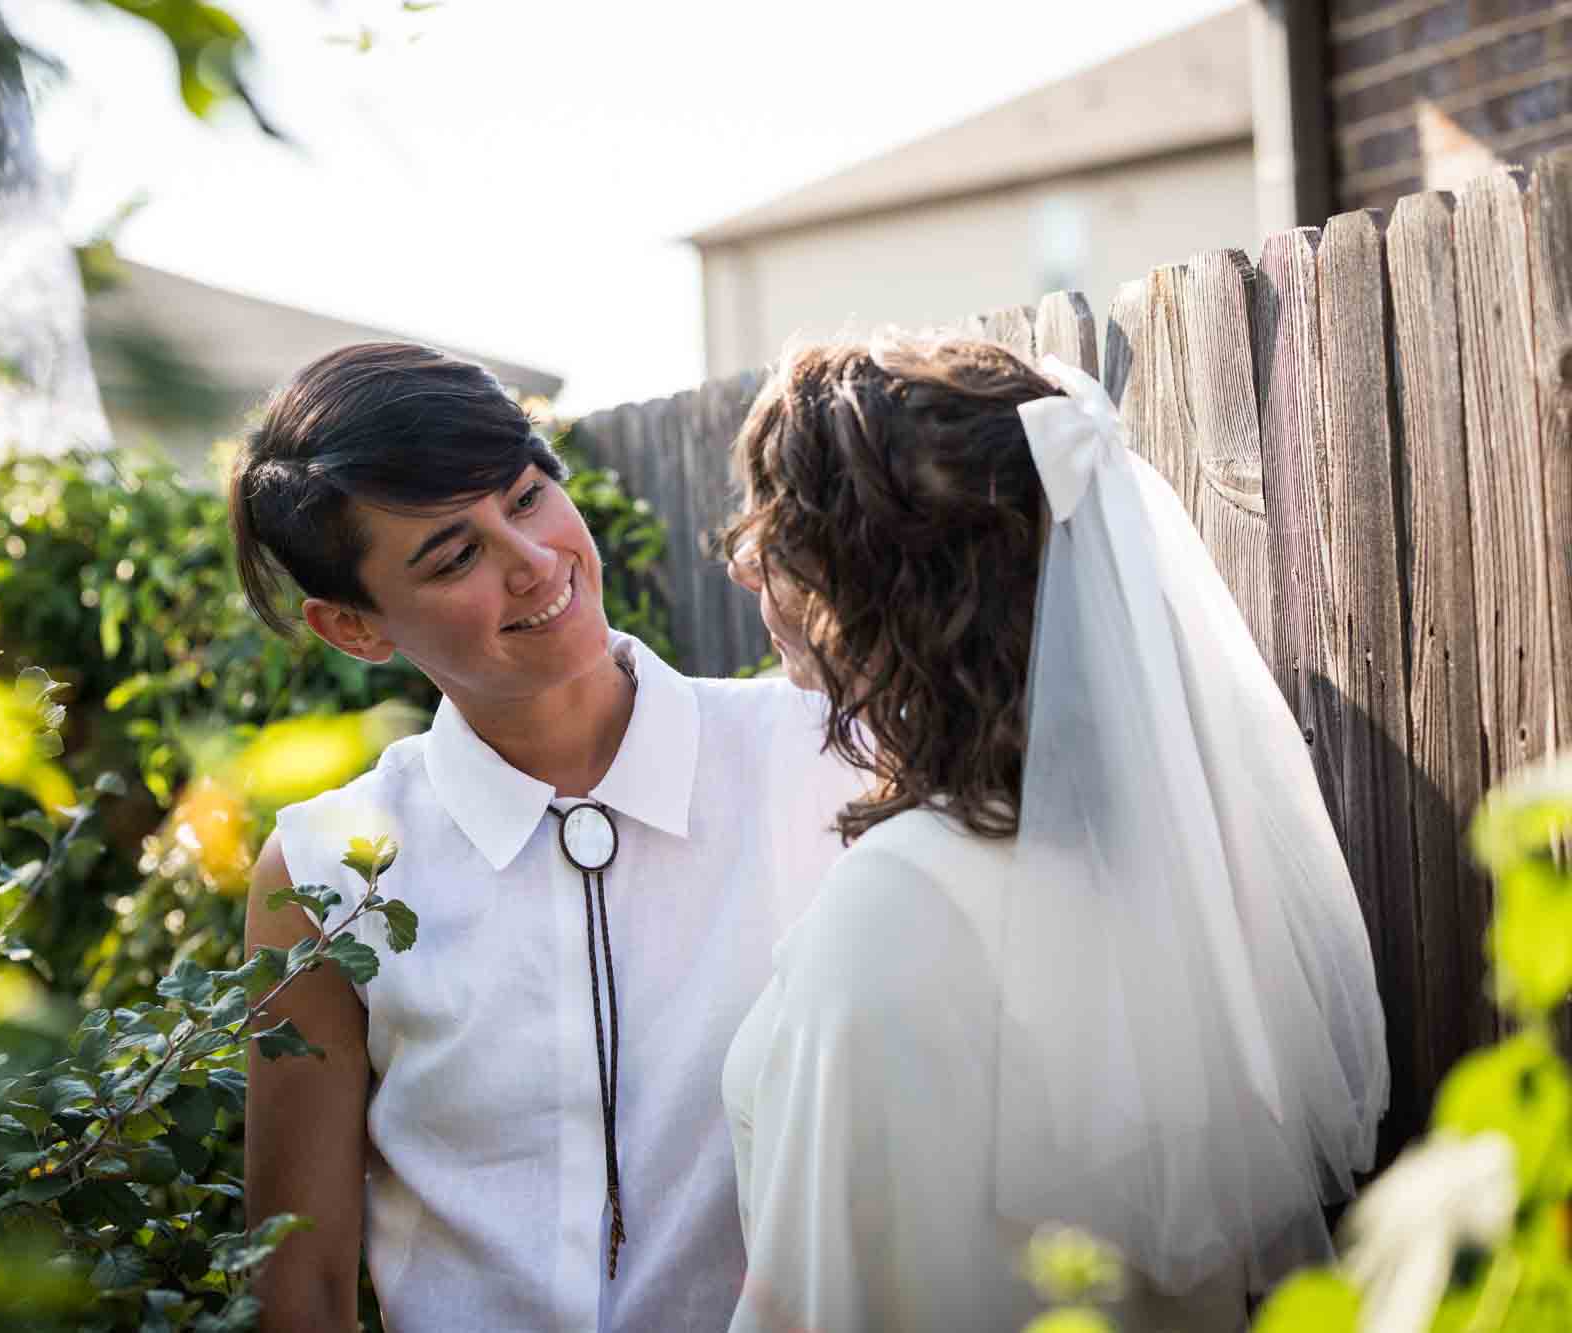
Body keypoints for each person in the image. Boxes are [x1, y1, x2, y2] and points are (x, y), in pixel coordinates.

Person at [719, 334, 1390, 1331]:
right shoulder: (1158, 860)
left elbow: (821, 1300)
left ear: (880, 589)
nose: (741, 563)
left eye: (775, 531)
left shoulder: (898, 906)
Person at [229, 342, 864, 1332]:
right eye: (453, 555)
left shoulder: (823, 756)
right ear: (353, 626)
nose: (532, 564)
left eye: (526, 498)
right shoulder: (321, 871)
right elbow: (298, 1284)